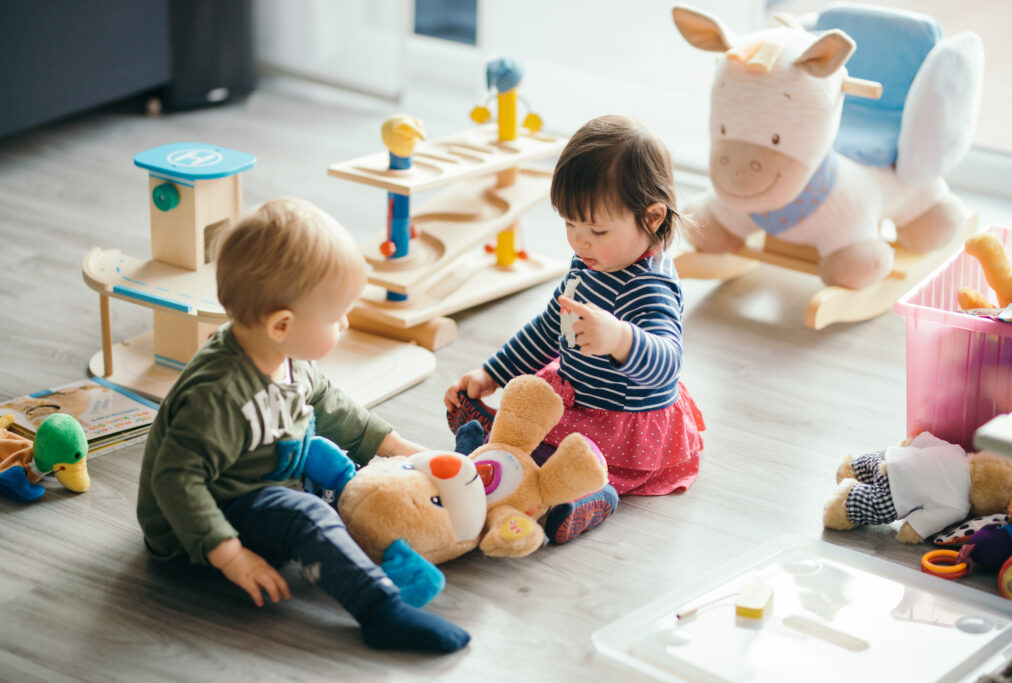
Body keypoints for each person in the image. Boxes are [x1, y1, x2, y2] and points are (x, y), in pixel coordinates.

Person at [137, 197, 469, 653]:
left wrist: (402, 449)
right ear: (282, 324)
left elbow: (331, 404)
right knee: (309, 514)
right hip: (195, 529)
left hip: (262, 479)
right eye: (336, 317)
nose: (346, 322)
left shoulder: (285, 356)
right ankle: (380, 610)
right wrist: (229, 555)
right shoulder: (217, 396)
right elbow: (175, 480)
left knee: (350, 481)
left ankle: (389, 547)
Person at [445, 115, 705, 543]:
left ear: (653, 218)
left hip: (622, 422)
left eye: (597, 230)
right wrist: (491, 373)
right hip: (576, 396)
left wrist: (621, 339)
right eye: (569, 224)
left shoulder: (649, 287)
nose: (579, 242)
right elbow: (550, 328)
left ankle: (588, 499)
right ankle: (490, 444)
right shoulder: (590, 262)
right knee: (532, 422)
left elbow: (668, 365)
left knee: (572, 464)